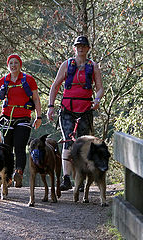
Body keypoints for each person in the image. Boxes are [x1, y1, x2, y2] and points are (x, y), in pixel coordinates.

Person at [47, 36, 104, 191]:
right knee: (67, 141)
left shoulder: (93, 66)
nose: (81, 48)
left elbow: (99, 88)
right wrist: (50, 106)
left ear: (88, 49)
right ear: (74, 48)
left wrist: (97, 99)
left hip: (85, 109)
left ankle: (80, 178)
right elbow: (55, 85)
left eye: (84, 46)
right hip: (67, 108)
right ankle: (66, 179)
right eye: (78, 46)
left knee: (84, 144)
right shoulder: (67, 65)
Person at [0, 54, 42, 187]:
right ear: (8, 66)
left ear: (20, 65)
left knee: (20, 146)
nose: (13, 65)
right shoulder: (3, 81)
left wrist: (38, 116)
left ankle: (18, 172)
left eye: (16, 63)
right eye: (11, 63)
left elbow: (36, 99)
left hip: (23, 117)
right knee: (6, 149)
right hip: (7, 118)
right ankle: (7, 176)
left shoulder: (28, 80)